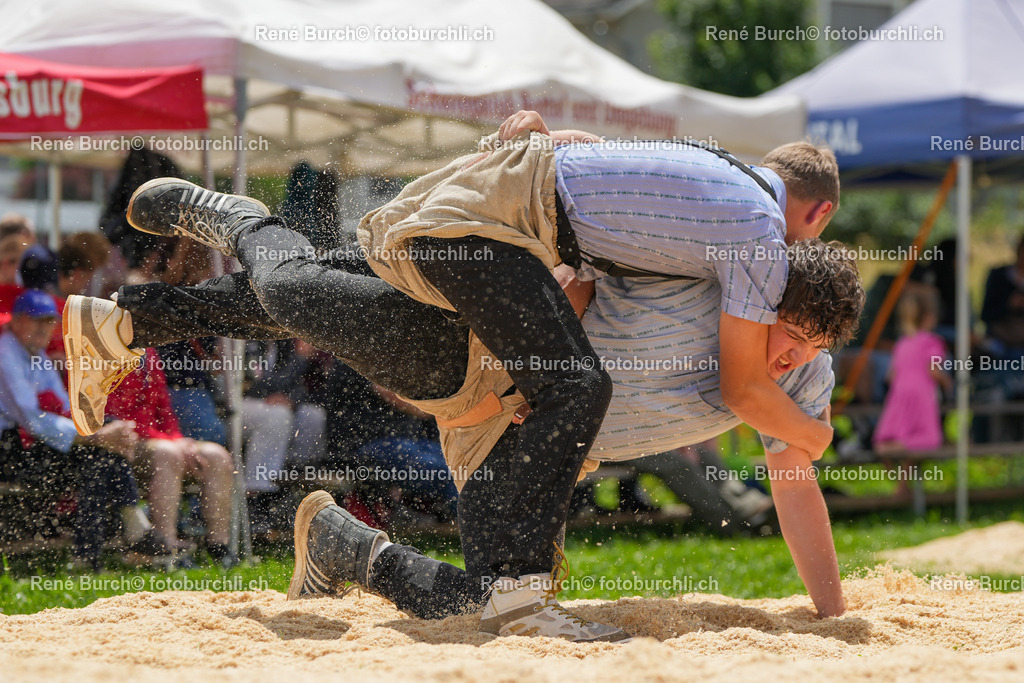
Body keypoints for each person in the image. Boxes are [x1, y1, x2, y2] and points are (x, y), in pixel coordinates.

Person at [63, 115, 842, 640]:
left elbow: (618, 195)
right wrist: (542, 144)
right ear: (812, 222)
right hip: (476, 310)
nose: (792, 356)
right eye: (793, 335)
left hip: (498, 387)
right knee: (310, 291)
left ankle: (342, 544)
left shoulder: (730, 250)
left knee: (487, 595)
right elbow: (740, 385)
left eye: (811, 350)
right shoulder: (740, 254)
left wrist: (830, 610)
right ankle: (240, 224)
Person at [0, 290, 167, 569]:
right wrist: (96, 435)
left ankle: (90, 553)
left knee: (100, 456)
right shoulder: (5, 354)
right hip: (10, 452)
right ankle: (125, 527)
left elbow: (64, 405)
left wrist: (102, 431)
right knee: (100, 451)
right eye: (36, 321)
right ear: (17, 321)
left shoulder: (34, 352)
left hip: (36, 444)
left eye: (49, 321)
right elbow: (32, 419)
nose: (45, 328)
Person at [104, 348, 235, 564]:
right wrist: (171, 442)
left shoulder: (150, 352)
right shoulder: (106, 351)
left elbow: (163, 408)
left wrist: (179, 439)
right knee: (168, 454)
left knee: (217, 455)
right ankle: (164, 547)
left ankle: (219, 547)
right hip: (123, 442)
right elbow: (117, 415)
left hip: (159, 440)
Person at [873, 287, 953, 455]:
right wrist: (947, 382)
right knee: (925, 438)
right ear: (930, 317)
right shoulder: (933, 342)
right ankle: (900, 460)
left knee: (899, 433)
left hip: (899, 393)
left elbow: (891, 375)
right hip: (922, 394)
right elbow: (933, 370)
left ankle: (901, 479)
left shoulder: (902, 342)